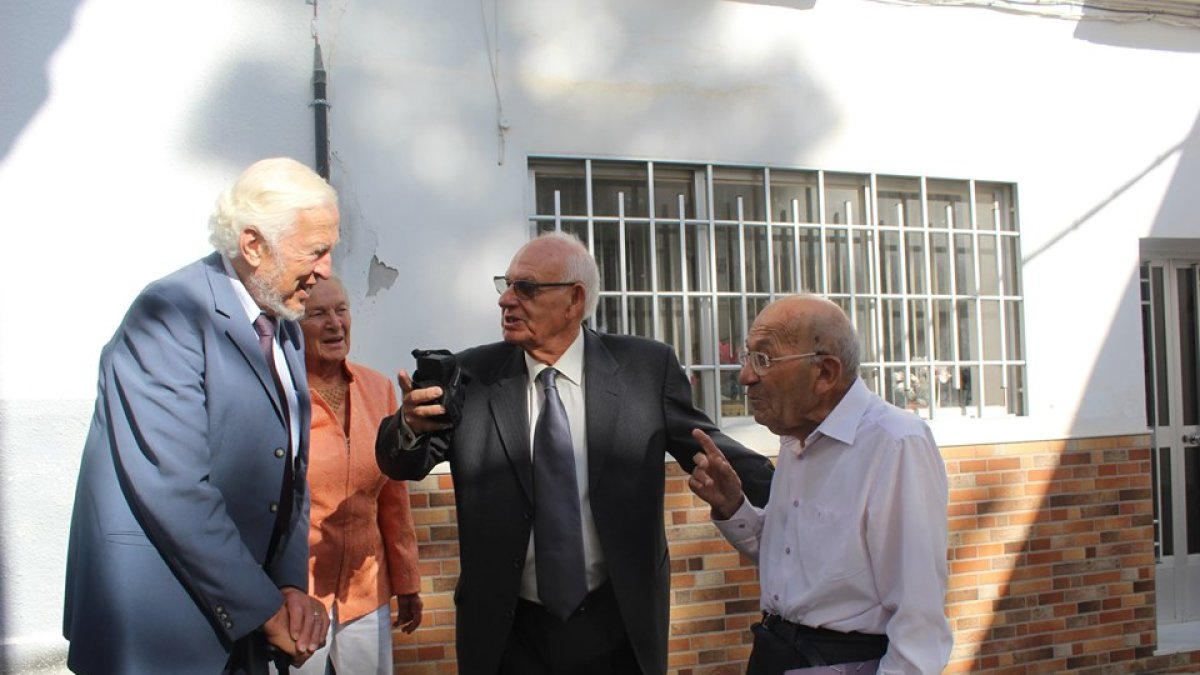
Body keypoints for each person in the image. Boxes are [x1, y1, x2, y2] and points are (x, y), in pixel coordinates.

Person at [375, 231, 776, 675]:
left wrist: (795, 485)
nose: (505, 300)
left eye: (525, 288)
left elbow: (706, 444)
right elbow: (402, 463)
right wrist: (408, 425)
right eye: (505, 285)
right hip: (507, 632)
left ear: (574, 300)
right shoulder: (472, 375)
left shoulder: (645, 369)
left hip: (618, 624)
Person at [63, 157, 339, 675]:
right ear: (253, 245)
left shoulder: (283, 324)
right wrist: (267, 610)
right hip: (157, 633)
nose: (326, 269)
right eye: (315, 251)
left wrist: (288, 585)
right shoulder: (168, 313)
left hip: (242, 624)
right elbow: (177, 489)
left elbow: (290, 471)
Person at [687, 294, 952, 674]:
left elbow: (919, 620)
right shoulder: (797, 437)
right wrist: (733, 506)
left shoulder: (895, 443)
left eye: (763, 359)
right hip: (776, 651)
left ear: (825, 372)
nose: (745, 376)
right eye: (747, 357)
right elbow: (792, 561)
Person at [293, 276, 422, 674]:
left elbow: (393, 498)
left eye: (341, 310)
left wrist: (407, 580)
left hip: (366, 591)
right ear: (293, 325)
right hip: (298, 595)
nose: (334, 323)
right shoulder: (282, 394)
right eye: (318, 314)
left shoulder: (377, 388)